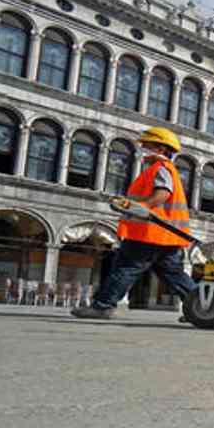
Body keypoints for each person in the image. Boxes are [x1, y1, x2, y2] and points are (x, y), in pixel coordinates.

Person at [72, 127, 196, 319]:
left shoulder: (160, 168)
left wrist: (140, 207)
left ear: (161, 149)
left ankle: (103, 306)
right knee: (174, 275)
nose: (142, 147)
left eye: (147, 144)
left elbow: (163, 194)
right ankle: (201, 308)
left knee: (125, 267)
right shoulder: (162, 169)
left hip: (149, 232)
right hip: (166, 235)